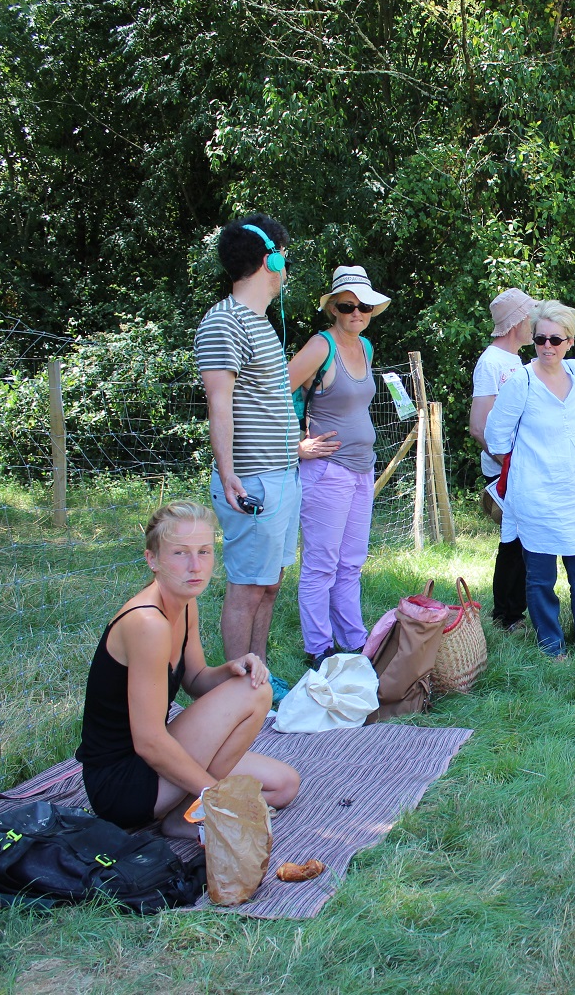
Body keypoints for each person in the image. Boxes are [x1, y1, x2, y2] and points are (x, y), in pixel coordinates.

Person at [77, 501, 300, 839]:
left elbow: (195, 680)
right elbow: (149, 742)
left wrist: (232, 668)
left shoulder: (184, 603)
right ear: (152, 559)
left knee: (284, 786)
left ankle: (184, 814)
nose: (195, 565)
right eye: (180, 553)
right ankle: (196, 809)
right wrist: (218, 797)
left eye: (205, 551)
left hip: (154, 762)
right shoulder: (147, 623)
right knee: (257, 692)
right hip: (122, 784)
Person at [195, 214, 301, 667]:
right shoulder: (224, 322)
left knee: (269, 583)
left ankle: (257, 673)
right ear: (270, 259)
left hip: (281, 475)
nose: (286, 266)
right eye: (284, 256)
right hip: (252, 480)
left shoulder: (259, 323)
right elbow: (219, 403)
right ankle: (235, 690)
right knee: (247, 586)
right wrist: (228, 472)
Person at [287, 265, 390, 667]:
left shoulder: (364, 347)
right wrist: (295, 446)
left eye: (363, 306)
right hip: (327, 472)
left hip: (362, 468)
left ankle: (353, 639)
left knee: (351, 562)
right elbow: (275, 393)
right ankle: (319, 647)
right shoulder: (320, 346)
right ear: (333, 308)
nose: (356, 313)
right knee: (321, 564)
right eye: (347, 306)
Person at [484, 299, 575, 658]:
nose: (547, 346)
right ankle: (551, 645)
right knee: (541, 577)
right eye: (540, 339)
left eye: (556, 339)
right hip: (536, 494)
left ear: (570, 342)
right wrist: (528, 468)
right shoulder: (522, 381)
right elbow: (496, 435)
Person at [469, 288, 538, 630]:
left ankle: (516, 611)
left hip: (524, 468)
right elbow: (479, 426)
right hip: (505, 470)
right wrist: (507, 462)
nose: (535, 324)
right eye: (531, 316)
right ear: (517, 322)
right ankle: (506, 615)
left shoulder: (516, 361)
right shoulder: (491, 362)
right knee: (513, 543)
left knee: (525, 542)